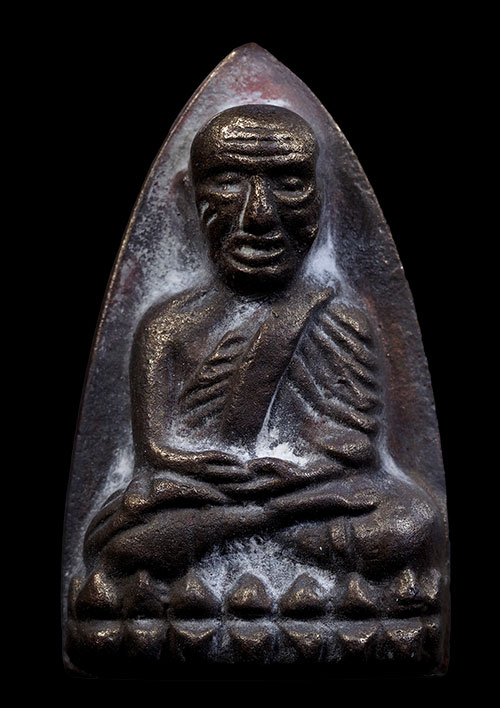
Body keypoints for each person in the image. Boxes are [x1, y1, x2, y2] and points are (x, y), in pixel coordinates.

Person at [68, 106, 446, 667]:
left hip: (300, 503)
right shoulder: (166, 327)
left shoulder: (339, 318)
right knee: (121, 539)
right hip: (208, 501)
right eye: (228, 183)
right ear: (191, 198)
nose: (260, 215)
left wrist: (292, 480)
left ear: (321, 200)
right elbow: (156, 453)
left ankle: (222, 574)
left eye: (289, 184)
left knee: (412, 521)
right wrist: (208, 472)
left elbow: (355, 452)